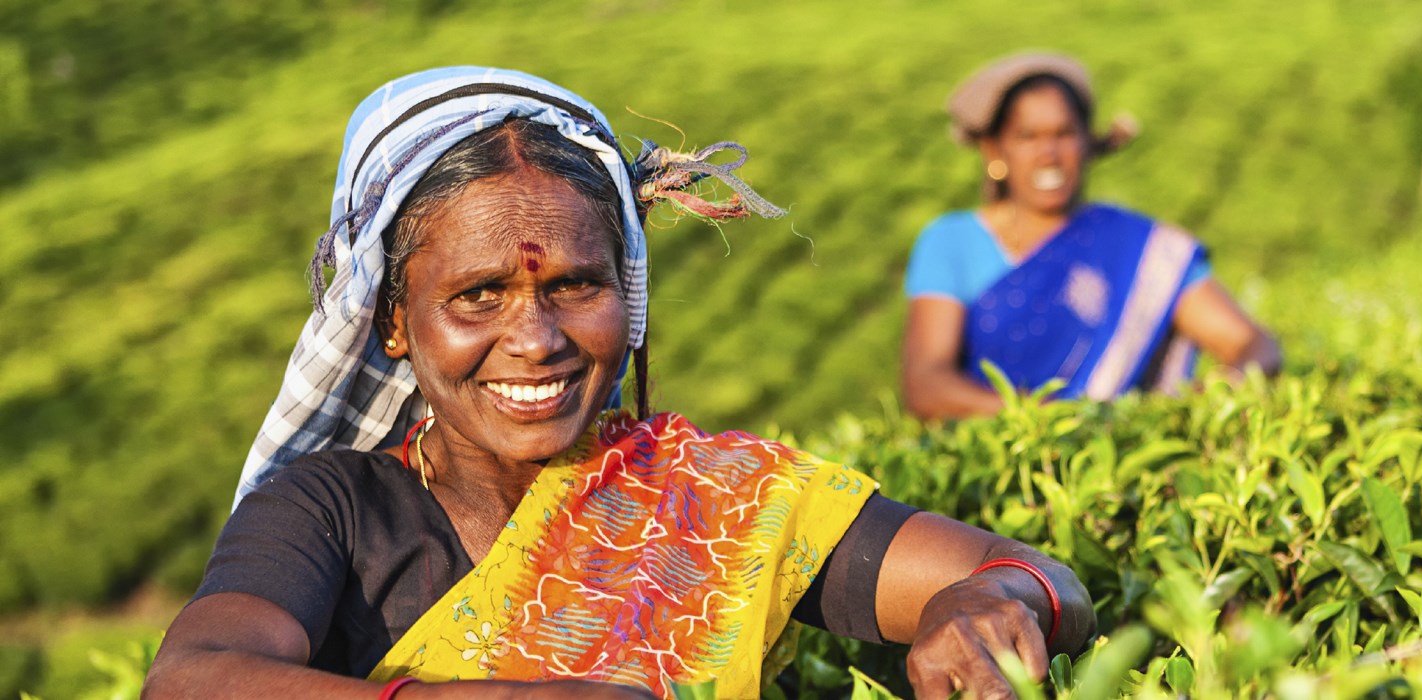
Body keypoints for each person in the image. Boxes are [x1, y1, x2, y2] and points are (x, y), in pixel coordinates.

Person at [144, 67, 1093, 700]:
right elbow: (192, 678)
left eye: (576, 286)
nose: (538, 339)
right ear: (394, 322)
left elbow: (1042, 579)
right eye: (478, 296)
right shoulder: (332, 509)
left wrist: (984, 604)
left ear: (627, 296)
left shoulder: (713, 502)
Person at [900, 53, 1282, 421]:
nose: (1048, 153)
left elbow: (1253, 345)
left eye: (1064, 134)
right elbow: (926, 384)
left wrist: (1207, 397)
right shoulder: (952, 241)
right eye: (1028, 136)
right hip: (992, 466)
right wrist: (1054, 420)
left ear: (1088, 143)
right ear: (995, 150)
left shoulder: (1137, 247)